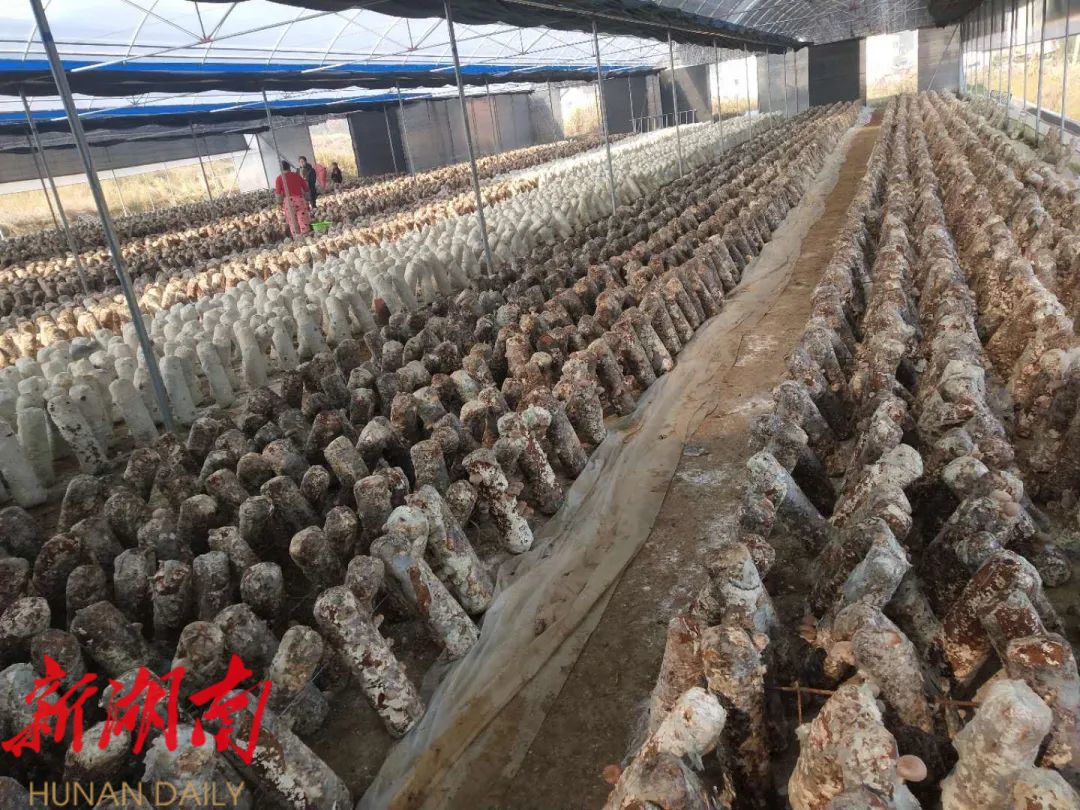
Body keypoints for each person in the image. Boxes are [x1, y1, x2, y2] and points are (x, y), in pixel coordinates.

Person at [273, 160, 311, 237]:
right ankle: (306, 234)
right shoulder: (297, 176)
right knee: (303, 217)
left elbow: (278, 193)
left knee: (292, 220)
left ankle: (296, 236)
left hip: (288, 202)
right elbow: (306, 188)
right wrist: (307, 199)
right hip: (299, 200)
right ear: (289, 167)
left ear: (281, 169)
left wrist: (279, 203)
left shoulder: (279, 178)